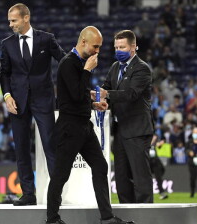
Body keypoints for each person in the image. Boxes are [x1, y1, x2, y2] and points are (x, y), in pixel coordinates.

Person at [46, 26, 134, 224]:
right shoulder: (68, 63)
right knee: (61, 174)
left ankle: (107, 217)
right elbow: (76, 95)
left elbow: (77, 95)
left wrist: (93, 104)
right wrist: (86, 71)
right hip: (69, 128)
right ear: (83, 42)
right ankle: (52, 219)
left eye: (100, 47)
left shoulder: (78, 62)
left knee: (100, 166)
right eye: (96, 46)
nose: (98, 51)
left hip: (84, 126)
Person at [0, 3, 65, 206]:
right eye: (9, 20)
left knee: (50, 146)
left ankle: (56, 194)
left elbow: (63, 61)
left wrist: (82, 69)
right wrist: (7, 95)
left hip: (43, 100)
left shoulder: (46, 39)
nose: (10, 24)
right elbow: (4, 73)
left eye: (14, 20)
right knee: (21, 148)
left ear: (26, 18)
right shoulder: (7, 43)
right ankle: (28, 194)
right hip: (17, 103)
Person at [101, 30, 154, 203]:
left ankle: (145, 216)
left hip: (137, 130)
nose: (118, 50)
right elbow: (106, 87)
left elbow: (131, 94)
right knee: (122, 179)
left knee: (140, 177)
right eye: (116, 47)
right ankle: (127, 213)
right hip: (120, 130)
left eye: (122, 47)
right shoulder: (115, 67)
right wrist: (99, 100)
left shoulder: (142, 68)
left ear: (133, 47)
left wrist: (106, 94)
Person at [149, 134, 169, 200]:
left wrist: (160, 143)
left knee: (159, 177)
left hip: (155, 161)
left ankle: (162, 192)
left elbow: (159, 145)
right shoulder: (144, 141)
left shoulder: (155, 141)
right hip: (147, 162)